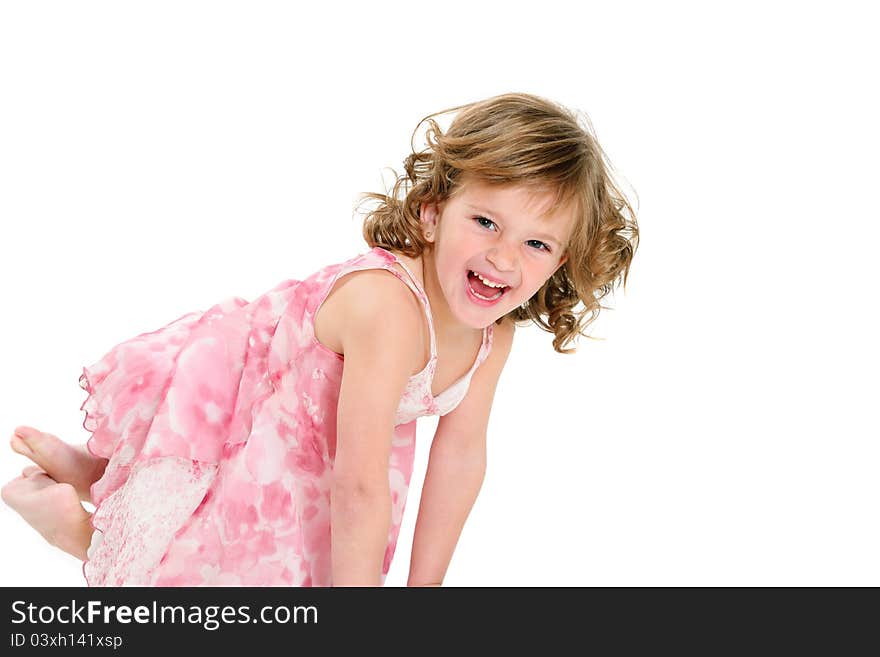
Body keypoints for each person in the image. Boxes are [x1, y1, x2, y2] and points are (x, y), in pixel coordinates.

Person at [2, 92, 639, 586]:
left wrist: (427, 592)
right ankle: (80, 526)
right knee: (233, 563)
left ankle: (99, 478)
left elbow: (459, 458)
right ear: (432, 211)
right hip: (256, 392)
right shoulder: (389, 310)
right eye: (485, 222)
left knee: (299, 554)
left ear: (561, 261)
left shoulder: (491, 340)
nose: (504, 258)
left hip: (321, 432)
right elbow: (359, 483)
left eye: (536, 243)